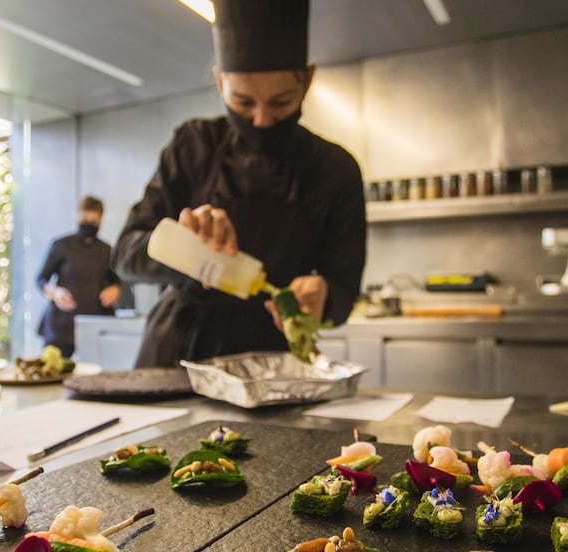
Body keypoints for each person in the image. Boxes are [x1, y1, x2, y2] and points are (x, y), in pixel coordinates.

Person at [112, 0, 366, 368]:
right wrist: (183, 244)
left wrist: (322, 297)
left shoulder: (335, 170)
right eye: (243, 102)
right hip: (177, 353)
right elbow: (124, 255)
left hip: (271, 363)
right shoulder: (191, 146)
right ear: (219, 82)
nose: (262, 121)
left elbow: (343, 291)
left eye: (280, 102)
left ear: (307, 80)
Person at [36, 195, 122, 357]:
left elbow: (118, 281)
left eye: (93, 220)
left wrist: (116, 289)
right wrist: (55, 293)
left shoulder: (106, 250)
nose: (89, 223)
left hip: (95, 322)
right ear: (79, 215)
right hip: (62, 324)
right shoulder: (62, 245)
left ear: (100, 219)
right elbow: (41, 279)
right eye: (85, 218)